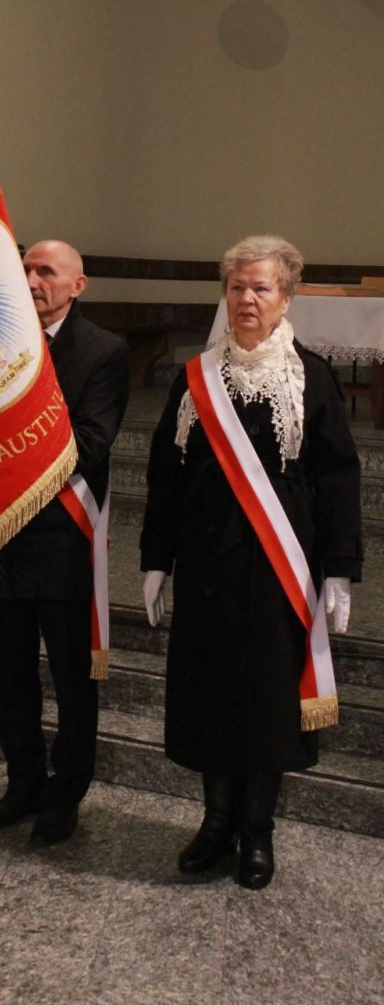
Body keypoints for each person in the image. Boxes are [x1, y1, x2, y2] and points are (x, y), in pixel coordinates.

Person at [141, 235, 362, 889]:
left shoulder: (310, 376)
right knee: (212, 692)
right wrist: (156, 559)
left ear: (285, 298)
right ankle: (216, 822)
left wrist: (339, 568)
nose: (247, 298)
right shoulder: (196, 378)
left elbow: (338, 477)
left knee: (267, 699)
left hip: (278, 568)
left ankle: (257, 829)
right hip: (208, 564)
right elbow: (166, 476)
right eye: (237, 286)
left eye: (261, 287)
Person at [0, 239, 130, 844]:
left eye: (46, 271)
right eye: (25, 269)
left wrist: (4, 452)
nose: (33, 280)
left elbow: (91, 443)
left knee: (71, 681)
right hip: (0, 540)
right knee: (9, 677)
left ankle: (65, 795)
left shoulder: (103, 351)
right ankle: (22, 783)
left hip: (62, 539)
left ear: (77, 285)